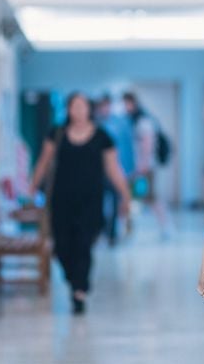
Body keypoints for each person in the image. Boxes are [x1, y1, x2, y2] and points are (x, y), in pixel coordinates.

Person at [29, 92, 132, 314]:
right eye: (74, 106)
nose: (78, 110)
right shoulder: (56, 133)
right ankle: (73, 280)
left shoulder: (102, 136)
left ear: (89, 109)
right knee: (63, 247)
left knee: (84, 244)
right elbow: (43, 163)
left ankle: (80, 291)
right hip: (61, 201)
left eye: (82, 106)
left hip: (91, 202)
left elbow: (113, 168)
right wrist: (31, 188)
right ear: (68, 109)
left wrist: (125, 194)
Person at [95, 94, 135, 245]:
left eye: (106, 105)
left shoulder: (121, 124)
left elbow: (128, 148)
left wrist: (129, 170)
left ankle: (112, 234)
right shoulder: (96, 124)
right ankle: (101, 230)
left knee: (116, 202)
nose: (104, 109)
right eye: (102, 106)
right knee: (100, 202)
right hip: (99, 171)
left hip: (117, 170)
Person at [122, 92, 157, 204]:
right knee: (132, 197)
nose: (125, 107)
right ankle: (129, 221)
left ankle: (167, 222)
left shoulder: (143, 121)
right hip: (135, 166)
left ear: (134, 104)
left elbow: (148, 144)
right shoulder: (132, 121)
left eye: (127, 104)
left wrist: (143, 165)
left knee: (150, 198)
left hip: (144, 167)